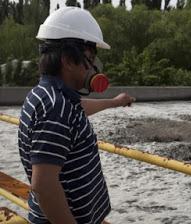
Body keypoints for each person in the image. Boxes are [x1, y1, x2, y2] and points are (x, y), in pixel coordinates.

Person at [18, 7, 134, 224]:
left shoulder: (51, 96)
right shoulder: (55, 109)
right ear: (69, 61)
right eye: (89, 60)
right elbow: (43, 186)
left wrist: (115, 102)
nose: (93, 69)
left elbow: (79, 108)